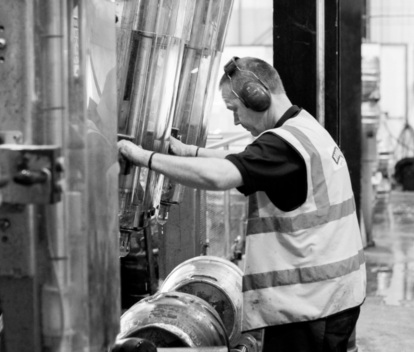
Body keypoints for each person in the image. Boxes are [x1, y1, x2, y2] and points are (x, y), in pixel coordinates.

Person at [117, 57, 366, 352]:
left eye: (234, 109)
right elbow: (248, 159)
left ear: (256, 95)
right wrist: (189, 152)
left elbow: (222, 176)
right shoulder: (302, 128)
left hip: (310, 305)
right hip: (332, 295)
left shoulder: (282, 146)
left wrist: (142, 157)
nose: (236, 121)